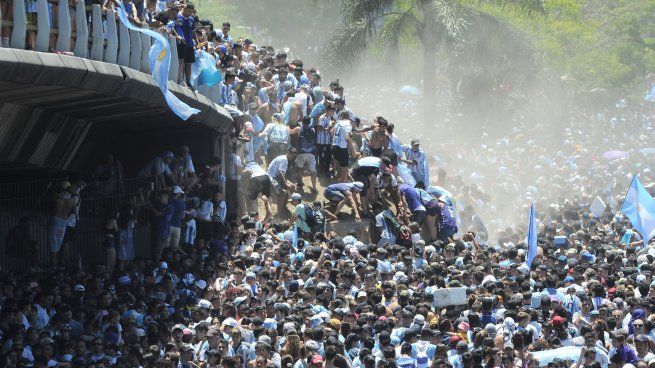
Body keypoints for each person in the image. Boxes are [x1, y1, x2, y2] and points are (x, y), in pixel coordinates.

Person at [267, 148, 298, 217]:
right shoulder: (284, 160)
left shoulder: (283, 158)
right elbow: (280, 172)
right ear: (288, 153)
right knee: (282, 193)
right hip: (271, 178)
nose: (292, 157)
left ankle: (283, 207)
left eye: (293, 156)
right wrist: (285, 184)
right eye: (292, 155)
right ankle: (279, 213)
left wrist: (286, 183)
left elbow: (281, 174)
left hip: (276, 177)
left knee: (292, 186)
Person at [174, 3, 196, 87]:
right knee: (181, 61)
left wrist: (195, 41)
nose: (189, 13)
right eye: (188, 11)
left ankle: (188, 82)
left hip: (190, 44)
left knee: (188, 63)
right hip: (181, 43)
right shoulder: (177, 16)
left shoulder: (191, 19)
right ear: (184, 8)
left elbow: (193, 31)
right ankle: (178, 79)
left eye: (191, 11)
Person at [295, 117, 318, 194]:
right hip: (311, 152)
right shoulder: (313, 130)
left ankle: (300, 184)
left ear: (302, 122)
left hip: (301, 152)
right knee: (313, 172)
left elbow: (290, 131)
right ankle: (314, 187)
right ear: (309, 122)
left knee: (300, 168)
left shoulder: (299, 129)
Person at [331, 110, 354, 183]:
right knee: (344, 171)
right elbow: (347, 137)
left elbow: (331, 133)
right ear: (348, 117)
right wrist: (352, 149)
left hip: (334, 147)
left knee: (340, 166)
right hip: (342, 149)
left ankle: (336, 176)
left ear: (341, 116)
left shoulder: (338, 123)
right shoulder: (348, 125)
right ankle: (341, 187)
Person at [150, 190, 173, 261]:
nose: (160, 198)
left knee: (160, 253)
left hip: (164, 233)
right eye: (159, 197)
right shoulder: (159, 205)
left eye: (161, 197)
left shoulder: (169, 207)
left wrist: (151, 205)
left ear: (166, 197)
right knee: (155, 251)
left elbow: (157, 213)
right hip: (157, 231)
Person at [169, 186, 186, 251]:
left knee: (165, 248)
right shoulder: (182, 203)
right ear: (178, 193)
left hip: (167, 226)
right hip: (177, 226)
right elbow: (183, 216)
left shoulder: (168, 200)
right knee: (174, 248)